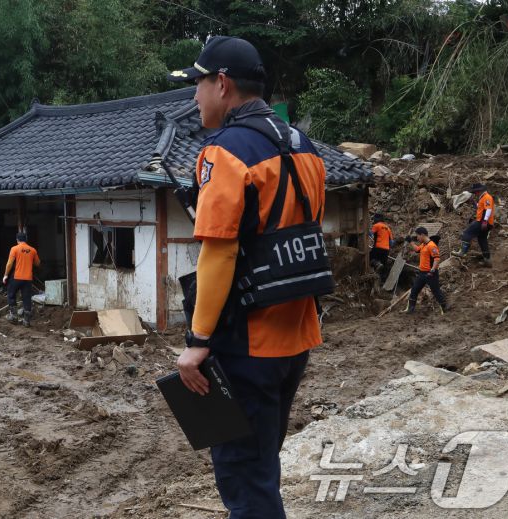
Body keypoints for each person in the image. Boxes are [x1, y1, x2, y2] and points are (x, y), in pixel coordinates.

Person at [167, 36, 327, 518]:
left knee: (244, 477)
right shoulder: (303, 145)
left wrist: (197, 339)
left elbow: (219, 253)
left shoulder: (224, 152)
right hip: (296, 334)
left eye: (197, 84)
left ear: (222, 84)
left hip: (247, 342)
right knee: (262, 463)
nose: (194, 96)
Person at [405, 227, 447, 314]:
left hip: (430, 273)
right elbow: (417, 250)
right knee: (414, 290)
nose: (417, 238)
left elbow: (437, 259)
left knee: (435, 290)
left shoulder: (432, 245)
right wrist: (410, 241)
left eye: (417, 236)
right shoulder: (424, 245)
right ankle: (411, 309)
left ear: (422, 235)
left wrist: (432, 270)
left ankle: (444, 307)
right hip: (422, 273)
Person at [2, 232, 40, 326]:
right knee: (26, 298)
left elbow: (9, 263)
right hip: (28, 279)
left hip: (17, 277)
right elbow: (38, 263)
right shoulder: (33, 250)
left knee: (11, 294)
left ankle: (14, 316)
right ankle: (26, 321)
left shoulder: (14, 249)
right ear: (26, 239)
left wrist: (6, 275)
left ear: (17, 240)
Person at [452, 183, 494, 267]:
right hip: (487, 222)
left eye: (475, 192)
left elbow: (488, 209)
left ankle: (462, 252)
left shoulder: (487, 197)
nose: (475, 194)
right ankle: (487, 260)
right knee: (482, 239)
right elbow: (481, 208)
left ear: (478, 191)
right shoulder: (483, 197)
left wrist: (485, 221)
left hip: (482, 221)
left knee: (467, 233)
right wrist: (474, 203)